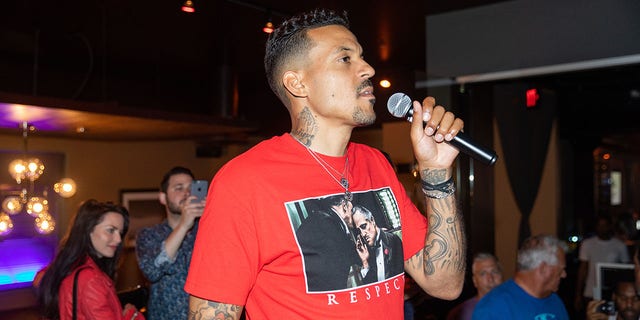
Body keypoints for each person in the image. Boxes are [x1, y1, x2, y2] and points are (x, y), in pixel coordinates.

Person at [185, 8, 466, 319]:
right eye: (345, 59)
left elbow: (445, 285)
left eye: (362, 57)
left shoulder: (376, 164)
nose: (368, 69)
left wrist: (437, 174)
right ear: (298, 84)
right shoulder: (243, 182)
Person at [37, 199, 144, 320]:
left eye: (120, 232)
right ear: (89, 230)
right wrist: (133, 315)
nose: (119, 239)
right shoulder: (91, 279)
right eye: (110, 230)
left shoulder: (73, 266)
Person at [135, 166, 205, 320]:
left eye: (191, 188)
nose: (187, 193)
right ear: (162, 197)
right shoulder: (149, 235)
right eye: (179, 188)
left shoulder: (207, 231)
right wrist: (184, 225)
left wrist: (211, 216)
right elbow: (152, 270)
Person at [472, 234, 569, 320]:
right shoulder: (492, 308)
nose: (564, 274)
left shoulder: (555, 301)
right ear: (543, 268)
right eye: (561, 269)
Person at [576, 215, 631, 314]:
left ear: (610, 226)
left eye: (605, 225)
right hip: (591, 291)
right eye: (599, 225)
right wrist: (578, 294)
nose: (602, 229)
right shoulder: (587, 244)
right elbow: (583, 269)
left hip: (612, 293)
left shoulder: (619, 245)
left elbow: (626, 271)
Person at [351, 204, 404, 284]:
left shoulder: (393, 240)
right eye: (359, 231)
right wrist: (365, 262)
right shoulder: (366, 252)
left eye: (364, 226)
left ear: (372, 220)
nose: (363, 234)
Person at [446, 252, 503, 320]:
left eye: (494, 272)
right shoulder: (460, 314)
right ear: (474, 281)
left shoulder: (514, 303)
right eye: (483, 274)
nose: (490, 279)